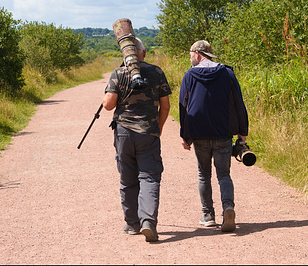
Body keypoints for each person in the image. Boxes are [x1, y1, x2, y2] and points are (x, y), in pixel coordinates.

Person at [103, 37, 171, 242]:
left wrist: (106, 94)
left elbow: (108, 105)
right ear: (142, 53)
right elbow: (165, 105)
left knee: (127, 178)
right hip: (148, 133)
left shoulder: (119, 73)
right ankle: (148, 222)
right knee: (149, 177)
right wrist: (158, 128)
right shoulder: (156, 72)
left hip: (123, 133)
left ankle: (132, 224)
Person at [179, 40, 248, 232]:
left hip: (199, 133)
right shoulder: (227, 73)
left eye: (191, 54)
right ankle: (228, 208)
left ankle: (208, 215)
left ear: (199, 54)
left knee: (204, 174)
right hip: (223, 133)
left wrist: (185, 134)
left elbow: (183, 106)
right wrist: (243, 131)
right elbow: (238, 103)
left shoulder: (190, 75)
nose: (190, 58)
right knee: (224, 174)